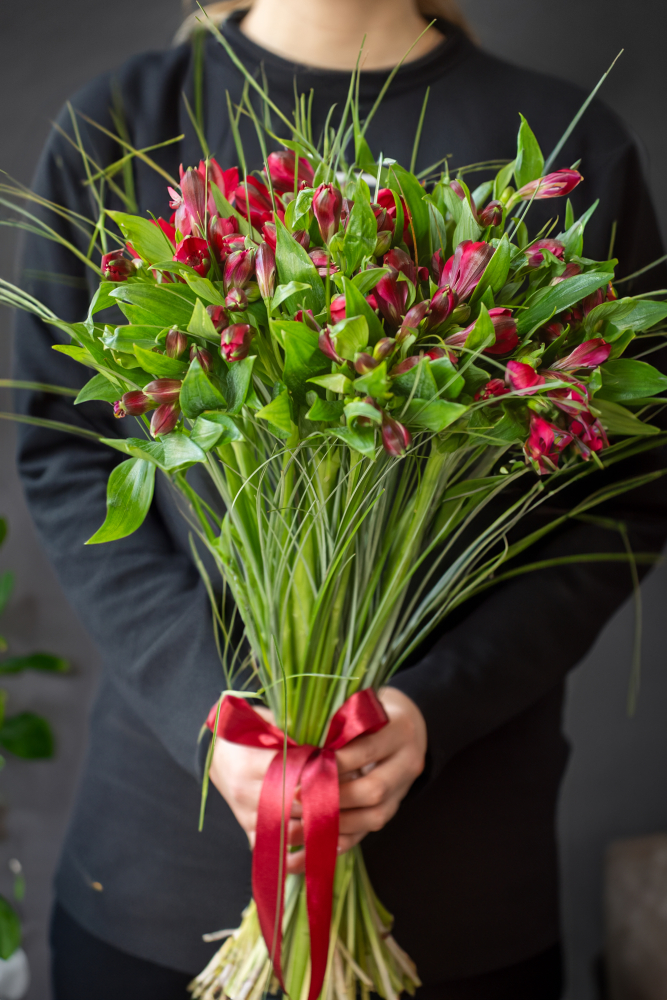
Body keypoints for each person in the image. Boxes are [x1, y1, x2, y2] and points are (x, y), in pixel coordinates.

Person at [12, 1, 667, 998]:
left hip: (463, 895)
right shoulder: (127, 118)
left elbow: (624, 495)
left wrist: (433, 707)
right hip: (158, 880)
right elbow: (64, 453)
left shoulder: (574, 145)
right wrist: (212, 712)